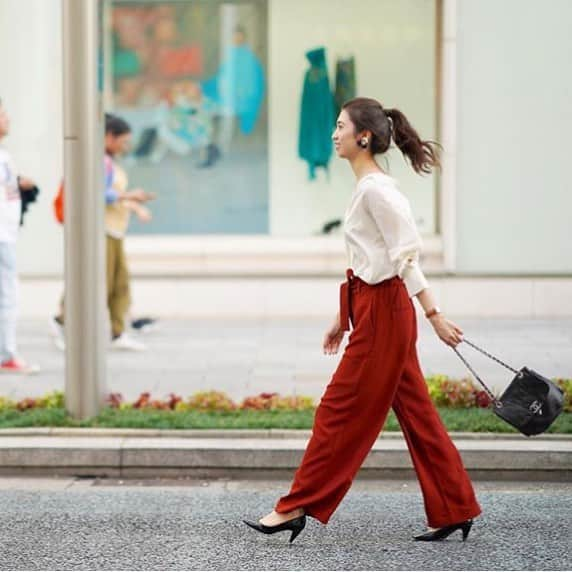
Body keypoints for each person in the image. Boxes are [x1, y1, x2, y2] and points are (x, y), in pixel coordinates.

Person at [243, 97, 481, 543]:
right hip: (372, 308)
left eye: (340, 126)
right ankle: (455, 506)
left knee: (338, 411)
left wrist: (435, 315)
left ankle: (295, 506)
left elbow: (406, 258)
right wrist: (342, 318)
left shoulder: (378, 190)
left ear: (363, 137)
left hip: (387, 315)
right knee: (418, 415)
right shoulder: (368, 187)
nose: (334, 134)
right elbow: (365, 263)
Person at [51, 114, 154, 351]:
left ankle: (117, 332)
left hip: (114, 231)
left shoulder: (107, 162)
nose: (125, 147)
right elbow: (98, 193)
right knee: (99, 282)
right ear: (109, 137)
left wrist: (134, 205)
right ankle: (63, 321)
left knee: (119, 283)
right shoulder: (100, 162)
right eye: (123, 141)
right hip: (102, 231)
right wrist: (130, 197)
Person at [0, 98, 40, 374]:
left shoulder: (4, 156)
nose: (8, 118)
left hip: (7, 234)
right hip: (1, 237)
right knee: (7, 295)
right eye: (2, 114)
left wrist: (20, 184)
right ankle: (6, 354)